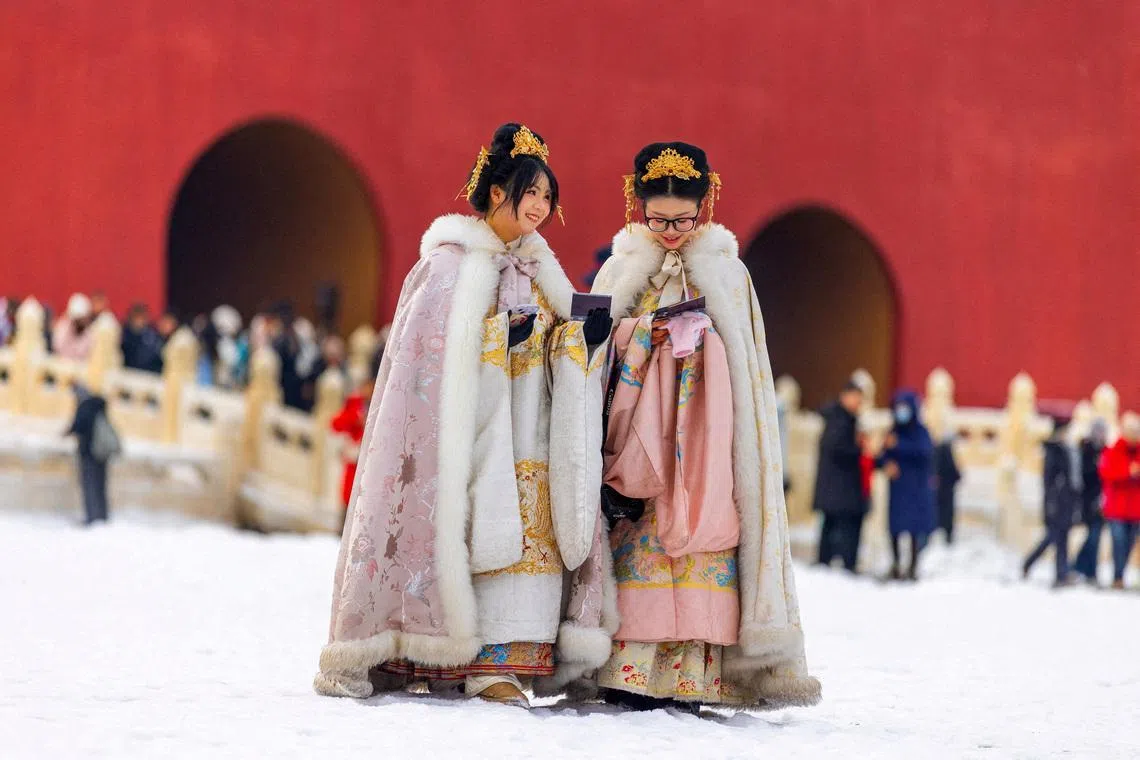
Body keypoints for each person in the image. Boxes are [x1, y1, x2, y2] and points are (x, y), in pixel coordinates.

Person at [316, 124, 612, 708]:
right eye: (532, 192)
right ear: (497, 192)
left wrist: (580, 339)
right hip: (469, 441)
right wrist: (499, 338)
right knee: (461, 528)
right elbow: (428, 367)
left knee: (526, 538)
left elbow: (559, 352)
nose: (541, 207)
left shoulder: (541, 269)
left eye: (548, 198)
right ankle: (439, 650)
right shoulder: (449, 267)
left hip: (528, 435)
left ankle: (502, 657)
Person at [590, 142, 819, 711]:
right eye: (659, 219)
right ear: (636, 206)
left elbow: (747, 367)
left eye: (683, 220)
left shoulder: (728, 275)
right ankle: (628, 671)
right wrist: (642, 336)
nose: (670, 231)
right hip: (637, 445)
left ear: (705, 208)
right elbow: (593, 354)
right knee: (639, 545)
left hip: (707, 445)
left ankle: (693, 674)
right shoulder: (621, 270)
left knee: (700, 546)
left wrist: (701, 342)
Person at [878, 390, 936, 581]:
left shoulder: (921, 432)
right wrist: (886, 464)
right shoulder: (892, 431)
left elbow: (924, 452)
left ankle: (912, 566)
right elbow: (882, 455)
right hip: (897, 488)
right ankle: (895, 564)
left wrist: (899, 445)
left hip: (915, 488)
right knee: (894, 528)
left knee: (913, 529)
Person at [813, 381, 867, 572]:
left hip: (838, 487)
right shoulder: (839, 420)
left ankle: (827, 562)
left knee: (831, 525)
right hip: (838, 486)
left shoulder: (844, 418)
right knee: (837, 527)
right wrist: (858, 448)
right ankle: (832, 563)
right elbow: (837, 448)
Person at [1022, 421, 1080, 587]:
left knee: (1061, 538)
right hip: (1056, 501)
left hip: (1066, 501)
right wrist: (1051, 501)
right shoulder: (1053, 452)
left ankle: (1061, 573)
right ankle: (1032, 563)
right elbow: (1049, 480)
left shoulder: (1066, 450)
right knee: (1054, 538)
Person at [65, 383, 120, 525]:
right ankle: (102, 515)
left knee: (90, 485)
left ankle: (92, 517)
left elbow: (78, 426)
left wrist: (66, 433)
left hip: (89, 453)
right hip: (102, 453)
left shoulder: (85, 407)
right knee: (101, 485)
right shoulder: (98, 407)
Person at [1098, 412, 1140, 590]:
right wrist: (1127, 472)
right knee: (1118, 542)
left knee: (1129, 543)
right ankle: (1118, 576)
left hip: (1135, 508)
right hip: (1117, 508)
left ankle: (1121, 574)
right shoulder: (1114, 450)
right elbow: (1106, 473)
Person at [1072, 420, 1108, 583]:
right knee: (1093, 536)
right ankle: (1086, 571)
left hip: (1103, 501)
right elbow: (1083, 475)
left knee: (1095, 536)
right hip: (1086, 500)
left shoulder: (1106, 451)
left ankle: (1083, 569)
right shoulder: (1085, 449)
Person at [121, 304, 165, 374]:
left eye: (142, 318)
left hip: (148, 374)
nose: (139, 321)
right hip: (127, 372)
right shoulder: (124, 334)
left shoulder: (153, 335)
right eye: (137, 317)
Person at [934, 434, 962, 544]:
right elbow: (952, 470)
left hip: (943, 488)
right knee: (946, 514)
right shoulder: (945, 452)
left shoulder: (940, 451)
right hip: (946, 489)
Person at [52, 293, 95, 361]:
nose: (82, 322)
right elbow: (58, 348)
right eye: (78, 319)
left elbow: (89, 354)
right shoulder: (63, 328)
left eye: (83, 319)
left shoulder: (91, 333)